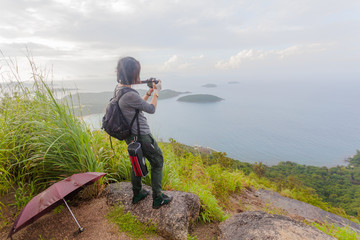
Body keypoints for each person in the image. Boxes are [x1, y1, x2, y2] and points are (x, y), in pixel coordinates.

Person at [114, 56, 173, 209]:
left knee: (137, 163)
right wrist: (156, 93)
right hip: (142, 136)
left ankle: (138, 193)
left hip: (130, 136)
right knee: (157, 161)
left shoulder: (119, 89)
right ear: (132, 73)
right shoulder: (129, 94)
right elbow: (151, 109)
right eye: (137, 72)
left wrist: (148, 92)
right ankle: (158, 198)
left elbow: (136, 105)